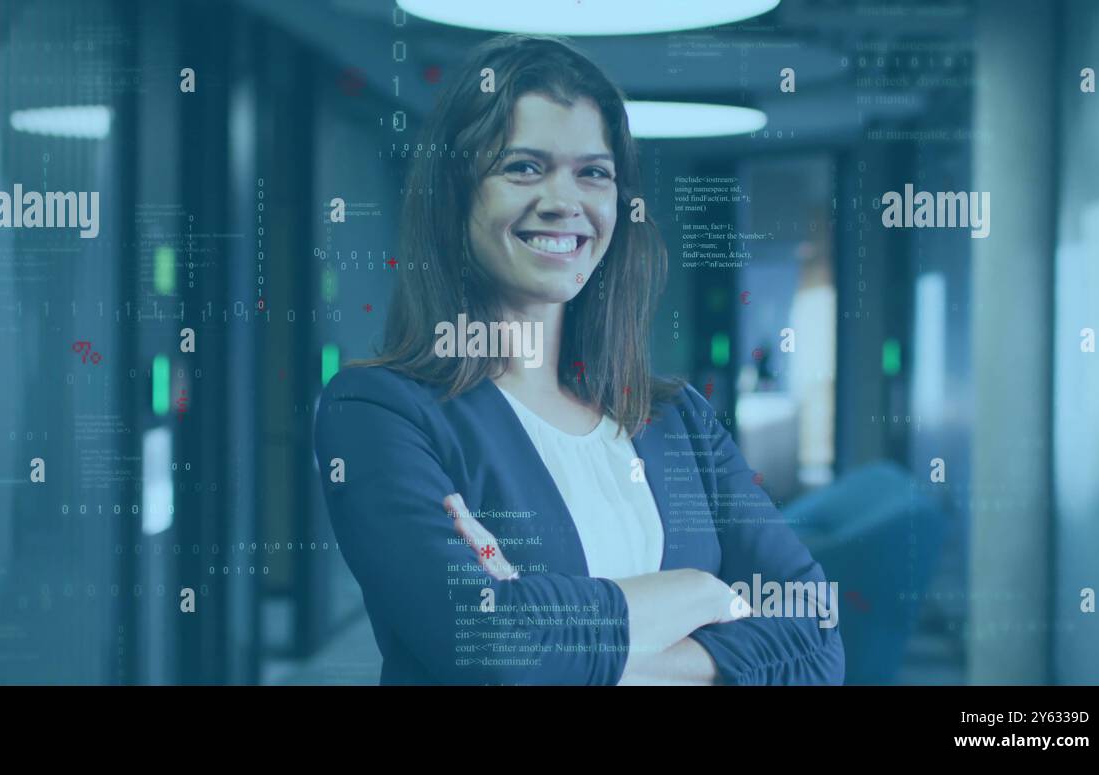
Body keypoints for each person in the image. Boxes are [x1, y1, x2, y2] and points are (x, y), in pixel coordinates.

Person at [314, 33, 844, 686]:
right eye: (524, 167)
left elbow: (815, 633)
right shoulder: (380, 411)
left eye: (593, 172)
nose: (565, 200)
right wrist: (701, 593)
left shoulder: (677, 420)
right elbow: (490, 645)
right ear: (456, 198)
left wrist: (573, 646)